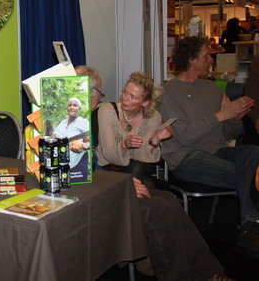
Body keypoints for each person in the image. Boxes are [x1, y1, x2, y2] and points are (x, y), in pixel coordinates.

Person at [75, 65, 229, 280]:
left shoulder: (87, 117)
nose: (100, 98)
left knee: (170, 201)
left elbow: (137, 158)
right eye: (99, 93)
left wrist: (153, 142)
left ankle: (210, 272)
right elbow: (84, 172)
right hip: (97, 194)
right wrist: (122, 183)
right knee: (158, 208)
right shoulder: (77, 123)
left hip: (112, 181)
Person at [159, 36, 259, 259]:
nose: (211, 60)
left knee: (253, 152)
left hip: (218, 151)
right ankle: (252, 226)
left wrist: (234, 119)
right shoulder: (168, 92)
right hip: (186, 157)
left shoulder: (211, 88)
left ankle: (251, 227)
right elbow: (184, 136)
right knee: (251, 174)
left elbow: (227, 134)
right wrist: (222, 115)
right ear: (192, 60)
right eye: (207, 56)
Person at [96, 72, 173, 188]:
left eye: (132, 97)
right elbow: (109, 155)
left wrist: (156, 139)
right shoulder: (107, 110)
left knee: (140, 171)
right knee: (147, 184)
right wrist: (124, 145)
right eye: (125, 92)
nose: (125, 98)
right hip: (109, 167)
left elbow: (141, 156)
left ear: (145, 102)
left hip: (137, 167)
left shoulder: (153, 117)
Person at [53, 97, 89, 171]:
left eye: (75, 105)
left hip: (76, 165)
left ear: (79, 109)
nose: (72, 107)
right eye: (70, 105)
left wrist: (83, 146)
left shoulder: (83, 122)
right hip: (60, 164)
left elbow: (88, 142)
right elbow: (53, 137)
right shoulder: (63, 122)